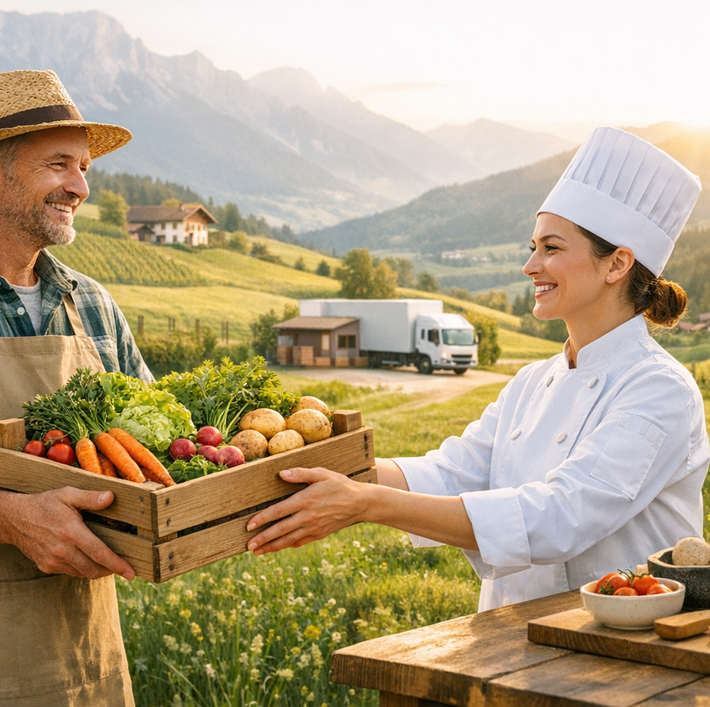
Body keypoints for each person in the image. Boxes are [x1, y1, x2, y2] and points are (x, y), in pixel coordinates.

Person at [246, 127, 710, 612]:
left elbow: (560, 517)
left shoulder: (660, 388)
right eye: (533, 247)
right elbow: (451, 472)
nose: (531, 266)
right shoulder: (532, 382)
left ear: (616, 264)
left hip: (624, 642)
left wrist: (364, 502)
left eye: (551, 248)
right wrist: (323, 470)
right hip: (509, 635)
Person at [0, 70, 151, 706]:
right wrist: (9, 519)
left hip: (83, 655)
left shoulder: (92, 304)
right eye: (58, 164)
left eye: (84, 168)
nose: (81, 187)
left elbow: (155, 443)